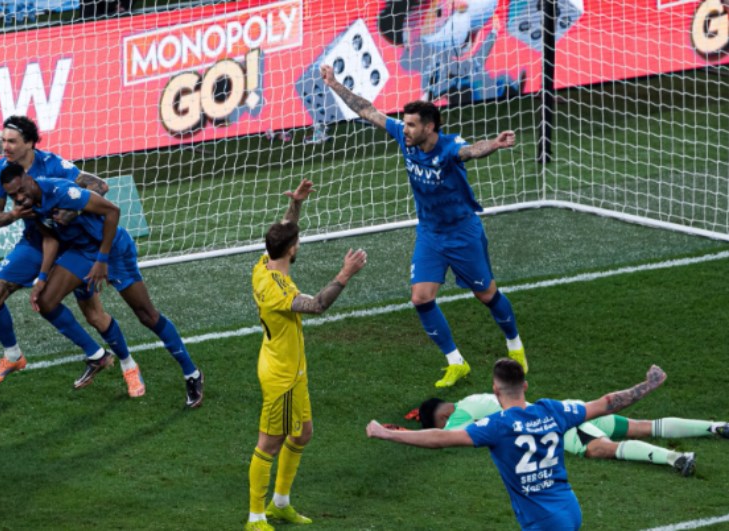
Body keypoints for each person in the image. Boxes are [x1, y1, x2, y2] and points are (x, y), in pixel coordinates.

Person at [321, 64, 524, 388]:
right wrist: (334, 84)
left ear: (430, 127)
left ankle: (515, 344)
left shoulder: (448, 147)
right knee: (420, 297)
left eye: (413, 125)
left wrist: (495, 144)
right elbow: (366, 109)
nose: (406, 129)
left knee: (486, 294)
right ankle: (456, 362)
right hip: (430, 233)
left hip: (462, 231)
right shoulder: (404, 137)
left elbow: (471, 150)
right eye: (406, 123)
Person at [367, 359, 668, 530]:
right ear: (524, 386)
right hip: (569, 508)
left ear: (496, 390)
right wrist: (648, 384)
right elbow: (606, 403)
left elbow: (441, 437)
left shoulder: (497, 426)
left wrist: (388, 434)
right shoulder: (553, 409)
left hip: (542, 520)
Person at [0, 163, 204, 406]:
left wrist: (102, 260)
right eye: (13, 195)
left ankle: (192, 374)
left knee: (146, 315)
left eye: (21, 190)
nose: (19, 197)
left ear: (28, 179)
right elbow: (50, 239)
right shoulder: (29, 208)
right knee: (45, 302)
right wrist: (41, 279)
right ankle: (98, 355)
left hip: (112, 250)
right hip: (82, 252)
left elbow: (112, 212)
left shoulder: (63, 192)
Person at [245, 178, 367, 531]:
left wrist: (296, 205)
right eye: (296, 242)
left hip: (292, 367)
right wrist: (345, 273)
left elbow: (283, 233)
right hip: (281, 374)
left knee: (303, 433)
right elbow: (316, 305)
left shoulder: (263, 264)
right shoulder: (277, 290)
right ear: (292, 251)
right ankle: (255, 518)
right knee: (269, 443)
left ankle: (280, 503)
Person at [0, 115, 116, 388]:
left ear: (29, 143)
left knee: (94, 316)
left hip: (71, 244)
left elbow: (100, 185)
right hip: (35, 242)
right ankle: (13, 356)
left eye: (11, 141)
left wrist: (71, 211)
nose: (5, 146)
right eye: (3, 140)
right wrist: (16, 214)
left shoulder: (53, 165)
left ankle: (127, 363)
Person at [414, 392, 727, 476]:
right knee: (645, 425)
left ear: (443, 415)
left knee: (600, 449)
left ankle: (676, 458)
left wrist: (397, 433)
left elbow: (447, 437)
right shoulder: (475, 400)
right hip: (569, 408)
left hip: (555, 424)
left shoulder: (459, 414)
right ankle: (715, 427)